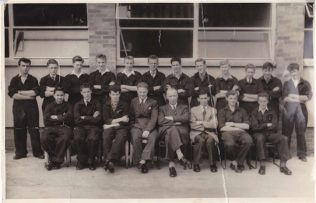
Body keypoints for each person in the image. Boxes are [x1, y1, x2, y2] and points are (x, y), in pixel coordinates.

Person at [8, 57, 44, 160]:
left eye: (27, 66)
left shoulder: (33, 79)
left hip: (32, 108)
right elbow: (13, 95)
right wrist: (28, 96)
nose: (25, 68)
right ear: (19, 66)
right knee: (19, 129)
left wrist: (19, 92)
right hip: (18, 108)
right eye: (23, 66)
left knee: (34, 130)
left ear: (30, 67)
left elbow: (35, 92)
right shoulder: (14, 80)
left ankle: (37, 152)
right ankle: (20, 152)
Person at [250, 92, 292, 175]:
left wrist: (261, 126)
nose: (263, 103)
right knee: (260, 138)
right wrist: (266, 125)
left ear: (267, 102)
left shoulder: (272, 111)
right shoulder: (254, 112)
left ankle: (283, 165)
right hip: (258, 134)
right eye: (261, 101)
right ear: (258, 102)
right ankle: (262, 165)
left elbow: (274, 126)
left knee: (284, 138)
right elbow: (254, 127)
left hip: (270, 134)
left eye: (264, 101)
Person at [158, 88, 192, 177]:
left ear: (178, 96)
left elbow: (186, 118)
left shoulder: (184, 106)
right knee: (172, 129)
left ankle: (171, 164)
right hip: (164, 130)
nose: (172, 98)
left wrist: (171, 118)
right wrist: (177, 121)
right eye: (170, 96)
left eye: (174, 96)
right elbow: (160, 121)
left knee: (171, 132)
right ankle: (180, 154)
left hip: (174, 131)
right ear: (166, 97)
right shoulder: (162, 108)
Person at [282, 63, 313, 162]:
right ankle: (286, 153)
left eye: (295, 71)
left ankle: (302, 154)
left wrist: (293, 96)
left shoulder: (305, 83)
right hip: (289, 109)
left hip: (301, 109)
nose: (293, 73)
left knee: (301, 132)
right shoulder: (287, 83)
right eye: (291, 72)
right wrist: (299, 98)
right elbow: (285, 98)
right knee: (287, 131)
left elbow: (307, 97)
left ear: (299, 71)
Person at [218, 90, 252, 173]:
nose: (233, 100)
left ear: (237, 99)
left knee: (249, 141)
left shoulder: (242, 110)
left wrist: (232, 124)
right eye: (231, 98)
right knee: (229, 144)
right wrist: (240, 126)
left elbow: (247, 126)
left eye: (235, 98)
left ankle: (237, 162)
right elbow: (222, 127)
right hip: (227, 133)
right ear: (226, 99)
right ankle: (237, 162)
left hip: (241, 133)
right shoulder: (222, 111)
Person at [41, 87, 73, 170]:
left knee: (65, 138)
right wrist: (62, 117)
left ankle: (54, 161)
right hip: (50, 127)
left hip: (64, 127)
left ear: (64, 96)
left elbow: (69, 118)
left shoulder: (68, 105)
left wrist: (55, 117)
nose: (59, 97)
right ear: (54, 96)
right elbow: (46, 121)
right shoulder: (49, 106)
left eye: (61, 95)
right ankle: (55, 159)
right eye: (57, 95)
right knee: (44, 138)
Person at [129, 82, 158, 173]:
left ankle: (143, 161)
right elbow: (131, 117)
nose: (142, 94)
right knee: (135, 137)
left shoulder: (153, 102)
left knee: (152, 138)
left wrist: (148, 130)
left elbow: (154, 118)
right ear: (137, 91)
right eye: (140, 92)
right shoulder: (133, 101)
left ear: (147, 92)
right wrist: (133, 126)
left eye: (144, 92)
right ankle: (139, 161)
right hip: (136, 126)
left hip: (150, 126)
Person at [73, 83, 102, 170]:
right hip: (80, 127)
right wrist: (92, 117)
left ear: (91, 92)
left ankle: (91, 161)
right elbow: (77, 120)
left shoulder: (97, 103)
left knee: (92, 138)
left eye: (88, 92)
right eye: (84, 92)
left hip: (94, 127)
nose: (86, 94)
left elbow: (98, 119)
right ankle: (81, 161)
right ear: (81, 93)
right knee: (78, 138)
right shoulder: (77, 104)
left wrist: (84, 117)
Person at [102, 85, 129, 173]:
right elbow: (106, 119)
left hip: (121, 127)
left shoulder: (124, 104)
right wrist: (120, 119)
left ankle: (108, 160)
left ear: (120, 94)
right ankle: (110, 161)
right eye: (113, 94)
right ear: (110, 94)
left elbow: (126, 121)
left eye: (117, 94)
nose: (115, 96)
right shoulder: (106, 105)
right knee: (106, 136)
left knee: (121, 137)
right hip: (111, 127)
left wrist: (112, 123)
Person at [190, 89, 218, 172]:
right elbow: (192, 124)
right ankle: (196, 164)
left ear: (208, 98)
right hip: (196, 132)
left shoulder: (213, 110)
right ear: (198, 99)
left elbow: (215, 125)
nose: (203, 100)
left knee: (210, 141)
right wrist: (207, 124)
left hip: (210, 133)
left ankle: (212, 164)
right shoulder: (193, 110)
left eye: (205, 98)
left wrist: (201, 122)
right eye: (201, 98)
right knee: (200, 140)